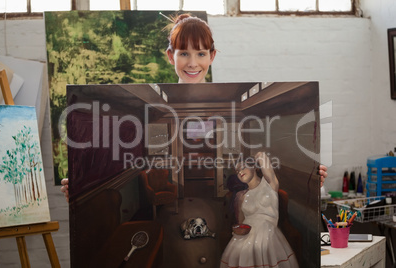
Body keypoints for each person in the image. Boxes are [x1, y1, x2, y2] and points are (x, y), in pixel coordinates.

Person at [61, 13, 327, 201]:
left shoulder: (234, 103)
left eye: (201, 53)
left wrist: (312, 172)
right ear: (170, 56)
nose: (192, 62)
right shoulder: (157, 104)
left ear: (211, 56)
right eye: (184, 53)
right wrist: (75, 186)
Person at [220, 152, 299, 268]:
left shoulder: (270, 185)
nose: (240, 173)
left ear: (254, 167)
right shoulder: (241, 196)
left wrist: (257, 157)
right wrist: (238, 230)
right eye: (237, 172)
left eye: (242, 168)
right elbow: (241, 223)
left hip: (268, 233)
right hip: (247, 236)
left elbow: (264, 161)